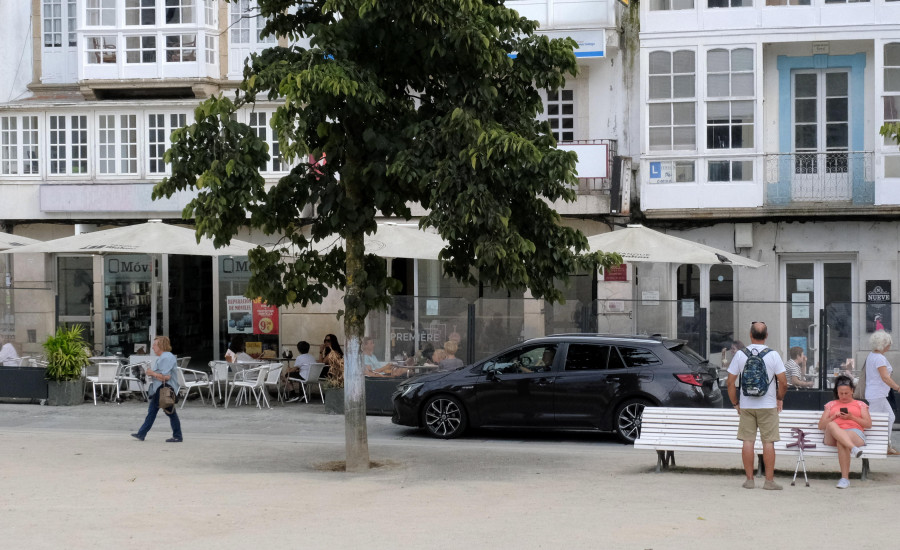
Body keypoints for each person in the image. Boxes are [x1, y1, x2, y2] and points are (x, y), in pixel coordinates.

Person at [726, 322, 787, 490]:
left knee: (747, 441)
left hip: (747, 405)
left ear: (750, 335)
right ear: (766, 336)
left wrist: (735, 403)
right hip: (768, 405)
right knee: (768, 442)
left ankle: (749, 480)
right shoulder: (773, 355)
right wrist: (779, 398)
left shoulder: (740, 355)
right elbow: (783, 382)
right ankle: (769, 481)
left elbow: (730, 383)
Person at [818, 374, 872, 489]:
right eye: (840, 393)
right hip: (832, 434)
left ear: (852, 391)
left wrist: (852, 417)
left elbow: (868, 424)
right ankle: (853, 449)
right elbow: (821, 425)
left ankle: (844, 479)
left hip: (854, 433)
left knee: (841, 441)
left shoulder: (860, 404)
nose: (843, 396)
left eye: (846, 393)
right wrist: (833, 417)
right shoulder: (831, 404)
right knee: (832, 425)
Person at [131, 336, 183, 442]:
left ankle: (177, 436)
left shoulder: (166, 357)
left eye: (155, 345)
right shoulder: (165, 357)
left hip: (163, 389)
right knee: (155, 412)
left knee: (169, 412)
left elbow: (166, 376)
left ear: (161, 345)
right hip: (159, 389)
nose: (153, 347)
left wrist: (152, 373)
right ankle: (141, 433)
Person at [864, 330, 900, 455]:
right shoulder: (879, 358)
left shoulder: (872, 355)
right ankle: (878, 445)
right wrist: (897, 387)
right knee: (874, 420)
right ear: (883, 344)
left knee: (889, 417)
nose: (889, 347)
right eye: (888, 344)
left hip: (876, 393)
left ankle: (885, 444)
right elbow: (885, 377)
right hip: (877, 394)